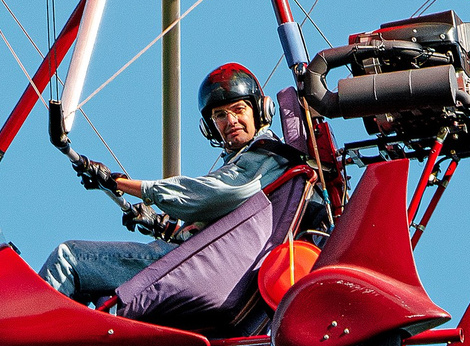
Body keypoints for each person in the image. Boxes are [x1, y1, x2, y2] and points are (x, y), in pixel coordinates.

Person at [37, 63, 298, 303]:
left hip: (192, 268)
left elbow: (206, 194)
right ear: (211, 127)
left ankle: (23, 325)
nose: (230, 121)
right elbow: (217, 224)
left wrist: (123, 185)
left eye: (239, 109)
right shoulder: (251, 162)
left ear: (260, 111)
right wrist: (161, 224)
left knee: (69, 258)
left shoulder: (266, 156)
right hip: (207, 267)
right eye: (220, 115)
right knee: (101, 295)